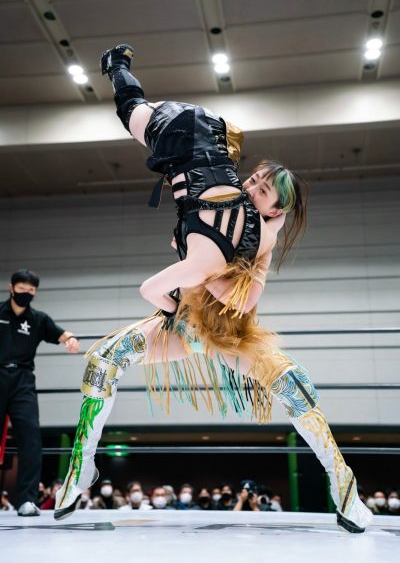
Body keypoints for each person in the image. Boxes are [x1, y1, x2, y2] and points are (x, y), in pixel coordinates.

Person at [54, 45, 373, 534]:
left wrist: (204, 270)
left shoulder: (264, 235)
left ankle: (346, 490)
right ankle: (80, 472)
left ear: (275, 210)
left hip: (230, 335)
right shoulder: (220, 203)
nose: (251, 187)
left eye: (262, 190)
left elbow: (245, 299)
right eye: (254, 178)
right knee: (102, 361)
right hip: (181, 322)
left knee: (294, 386)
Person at [0, 269, 80, 517]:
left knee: (31, 438)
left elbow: (61, 334)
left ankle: (27, 500)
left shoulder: (38, 319)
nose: (26, 294)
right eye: (22, 289)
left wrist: (71, 339)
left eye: (31, 291)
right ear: (11, 288)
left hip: (23, 380)